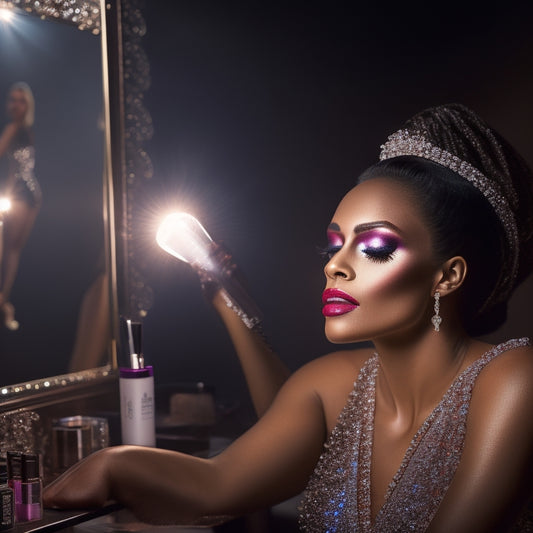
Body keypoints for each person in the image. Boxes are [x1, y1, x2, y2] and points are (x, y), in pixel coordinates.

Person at [43, 103, 533, 532]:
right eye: (334, 244)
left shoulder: (514, 381)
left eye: (376, 247)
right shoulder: (329, 384)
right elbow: (217, 484)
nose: (334, 265)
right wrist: (113, 464)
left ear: (447, 276)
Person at [0, 82, 42, 329]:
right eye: (13, 100)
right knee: (8, 248)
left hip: (26, 195)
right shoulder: (18, 129)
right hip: (18, 194)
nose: (16, 104)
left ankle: (4, 298)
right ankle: (5, 300)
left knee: (12, 249)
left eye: (21, 100)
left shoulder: (20, 129)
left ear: (27, 105)